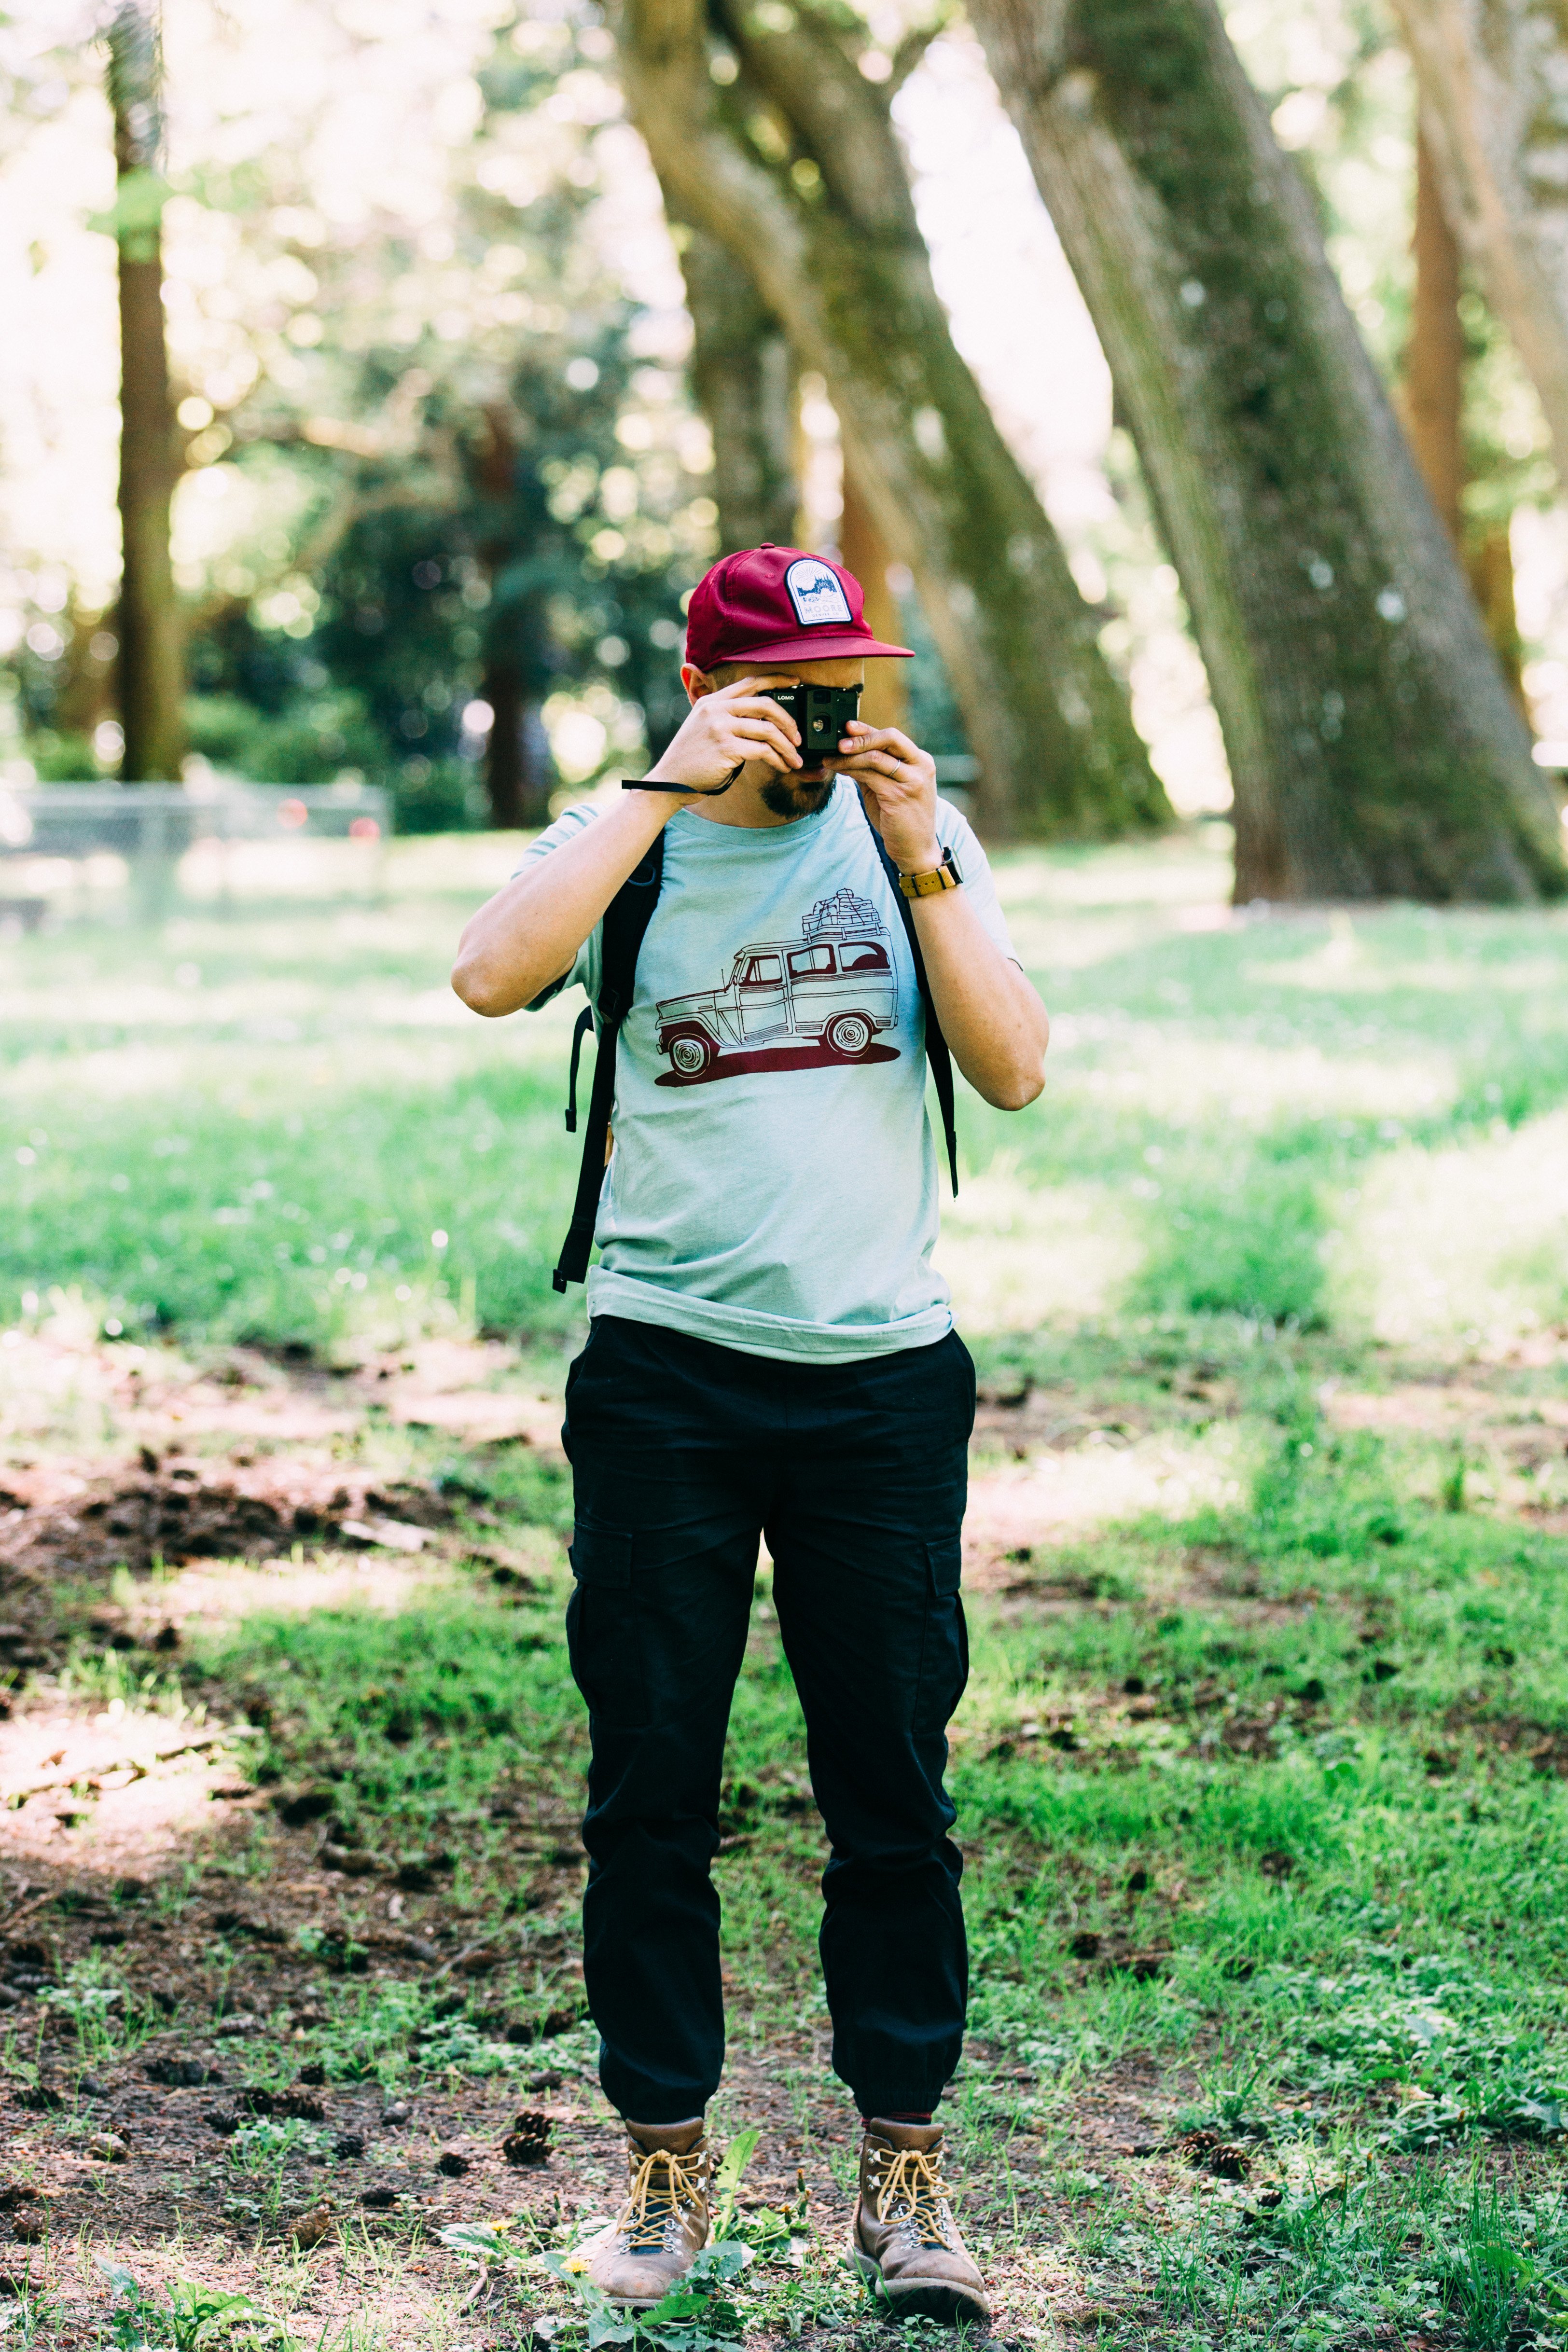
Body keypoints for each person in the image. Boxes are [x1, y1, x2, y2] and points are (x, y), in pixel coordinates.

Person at [452, 542, 1049, 2325]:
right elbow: (489, 976)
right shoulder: (620, 843)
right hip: (666, 1380)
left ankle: (905, 2166)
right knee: (650, 1789)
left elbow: (1014, 1067)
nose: (818, 723)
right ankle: (662, 2162)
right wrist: (654, 791)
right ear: (712, 687)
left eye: (843, 685)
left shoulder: (912, 844)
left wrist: (928, 858)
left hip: (878, 1381)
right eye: (783, 689)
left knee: (893, 1791)